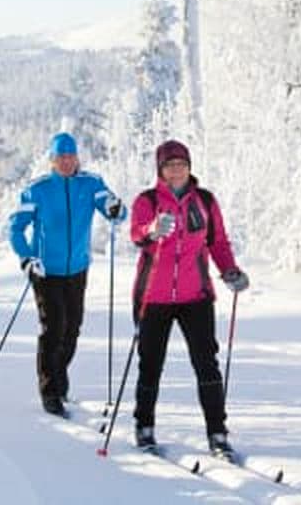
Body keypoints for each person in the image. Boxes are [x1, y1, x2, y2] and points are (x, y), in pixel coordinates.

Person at [129, 139, 250, 460]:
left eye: (181, 163)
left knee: (206, 364)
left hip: (195, 296)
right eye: (170, 165)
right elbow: (136, 234)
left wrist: (230, 271)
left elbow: (218, 242)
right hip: (153, 296)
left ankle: (218, 433)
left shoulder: (205, 201)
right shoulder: (148, 200)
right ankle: (144, 426)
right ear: (161, 170)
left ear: (189, 166)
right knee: (151, 363)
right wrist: (153, 229)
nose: (177, 169)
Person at [9, 132, 126, 417]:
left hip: (77, 269)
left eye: (71, 157)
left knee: (72, 328)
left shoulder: (91, 184)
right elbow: (16, 228)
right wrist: (27, 258)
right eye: (61, 157)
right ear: (52, 160)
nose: (66, 162)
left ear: (77, 158)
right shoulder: (37, 190)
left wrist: (116, 209)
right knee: (54, 328)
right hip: (45, 270)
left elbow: (117, 211)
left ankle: (60, 379)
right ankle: (50, 391)